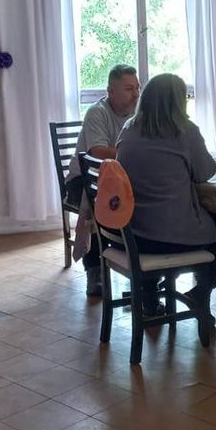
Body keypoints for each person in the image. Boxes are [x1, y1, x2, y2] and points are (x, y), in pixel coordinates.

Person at [116, 73, 216, 317]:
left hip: (131, 235)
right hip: (170, 239)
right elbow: (204, 173)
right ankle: (202, 290)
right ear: (177, 101)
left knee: (154, 213)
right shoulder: (185, 131)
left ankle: (149, 296)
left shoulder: (127, 129)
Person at [66, 64, 140, 296]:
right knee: (99, 199)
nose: (136, 94)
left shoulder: (138, 114)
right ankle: (94, 269)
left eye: (137, 88)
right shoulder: (97, 112)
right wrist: (136, 154)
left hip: (119, 179)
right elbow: (97, 152)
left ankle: (135, 261)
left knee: (145, 198)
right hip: (82, 180)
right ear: (111, 91)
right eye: (129, 89)